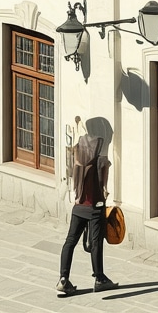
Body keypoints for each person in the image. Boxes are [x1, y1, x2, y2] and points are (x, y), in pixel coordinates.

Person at [57, 125, 118, 295]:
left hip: (78, 205)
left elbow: (70, 174)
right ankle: (99, 278)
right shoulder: (100, 155)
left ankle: (63, 278)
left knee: (70, 241)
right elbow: (104, 185)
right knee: (96, 242)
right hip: (95, 205)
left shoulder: (78, 152)